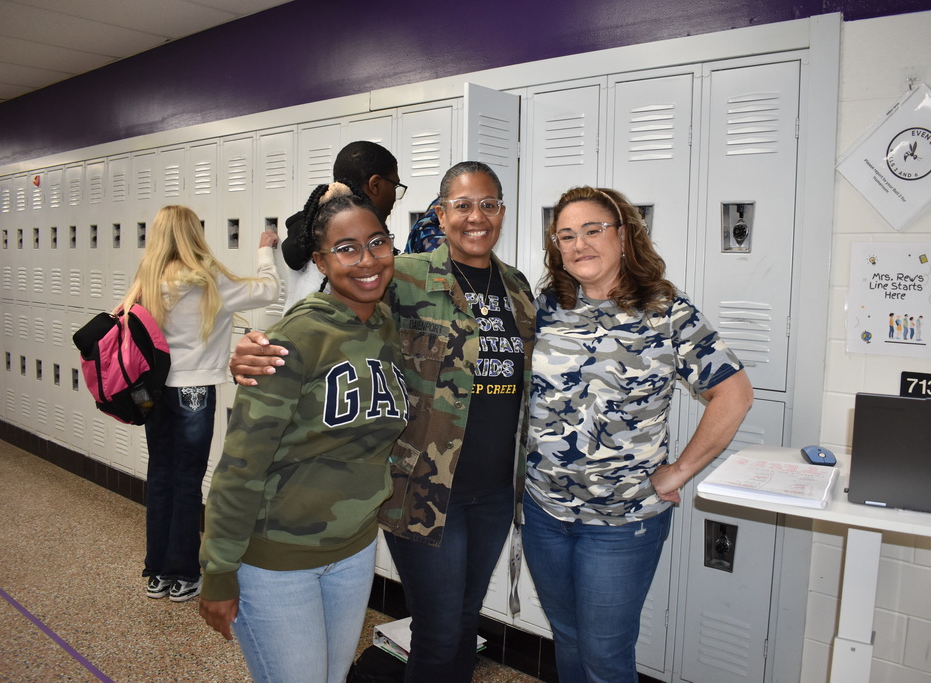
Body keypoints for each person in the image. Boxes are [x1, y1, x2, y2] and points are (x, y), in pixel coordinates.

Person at [229, 161, 537, 683]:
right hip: (424, 489)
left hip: (494, 491)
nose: (476, 217)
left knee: (465, 622)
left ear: (502, 213)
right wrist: (259, 348)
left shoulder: (516, 286)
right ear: (441, 214)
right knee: (438, 631)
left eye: (488, 205)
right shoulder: (407, 275)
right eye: (462, 205)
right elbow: (333, 318)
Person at [521, 186, 754, 683]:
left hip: (622, 520)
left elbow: (733, 393)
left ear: (624, 236)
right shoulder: (546, 307)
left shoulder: (665, 310)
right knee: (567, 636)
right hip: (544, 511)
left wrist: (680, 471)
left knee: (605, 656)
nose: (580, 244)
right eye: (567, 235)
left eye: (593, 230)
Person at [198, 184, 407, 683]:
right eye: (346, 248)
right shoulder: (293, 340)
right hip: (277, 560)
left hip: (354, 549)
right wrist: (218, 568)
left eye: (377, 243)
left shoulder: (385, 326)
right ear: (320, 261)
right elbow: (242, 462)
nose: (366, 260)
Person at [119, 205, 280, 603]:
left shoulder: (147, 281)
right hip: (193, 392)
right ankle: (184, 575)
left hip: (152, 394)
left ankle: (158, 573)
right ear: (194, 234)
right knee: (187, 483)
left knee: (160, 478)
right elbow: (269, 290)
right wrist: (265, 250)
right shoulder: (209, 280)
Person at [281, 140, 405, 307]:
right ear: (375, 185)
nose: (367, 261)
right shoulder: (341, 231)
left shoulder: (314, 225)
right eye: (395, 186)